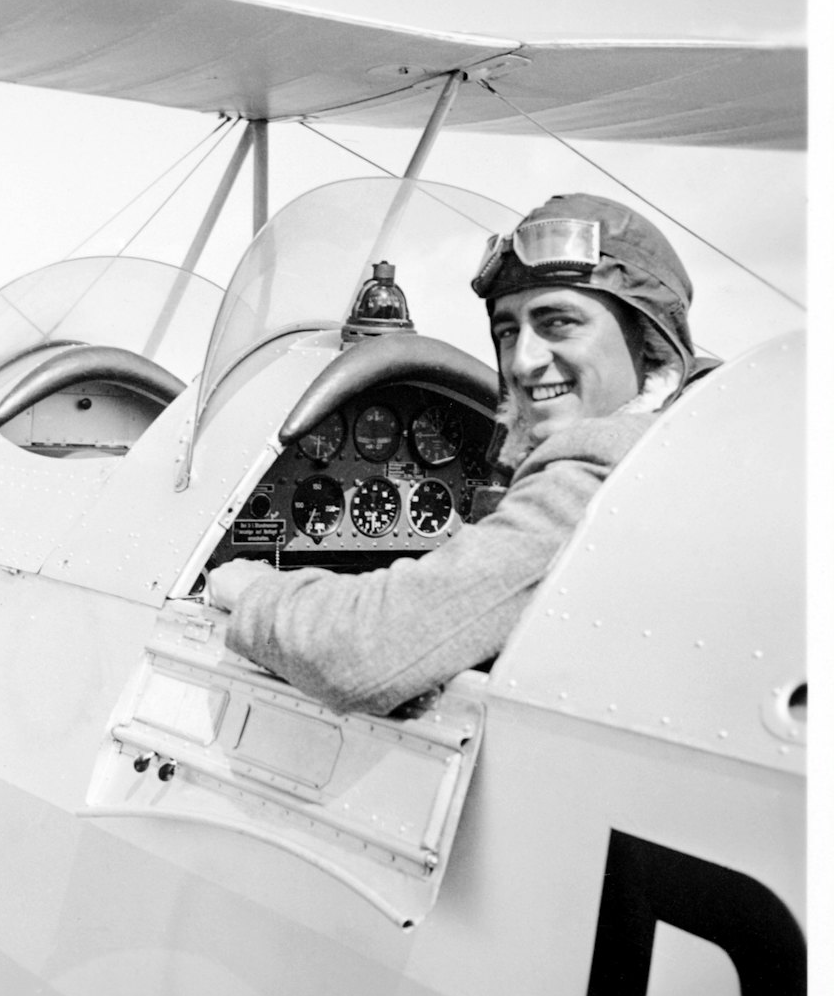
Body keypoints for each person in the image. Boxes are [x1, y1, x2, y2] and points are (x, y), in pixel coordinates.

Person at [208, 193, 716, 716]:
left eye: (559, 322)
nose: (523, 361)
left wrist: (256, 589)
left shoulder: (602, 467)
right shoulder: (698, 441)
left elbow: (367, 651)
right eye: (507, 331)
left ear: (649, 338)